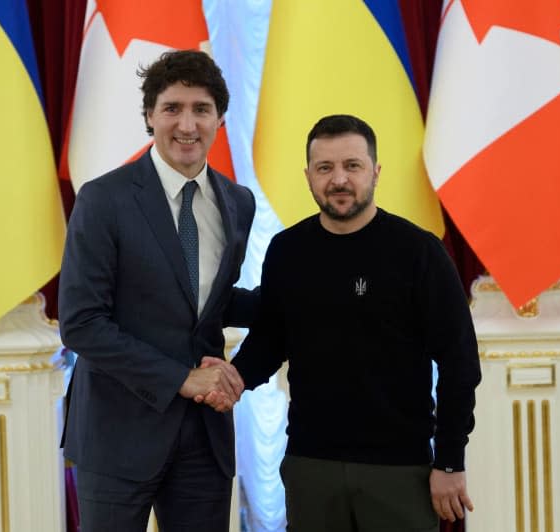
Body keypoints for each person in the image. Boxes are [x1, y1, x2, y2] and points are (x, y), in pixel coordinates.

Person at [204, 114, 481, 531]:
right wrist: (233, 378)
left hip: (399, 469)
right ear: (308, 176)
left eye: (352, 166)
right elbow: (271, 338)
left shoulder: (419, 252)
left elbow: (460, 364)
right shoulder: (287, 250)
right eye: (325, 168)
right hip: (310, 466)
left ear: (375, 171)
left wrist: (449, 460)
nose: (339, 180)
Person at [59, 50, 254, 532]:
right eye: (172, 108)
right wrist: (181, 379)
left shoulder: (238, 202)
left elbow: (208, 301)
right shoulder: (103, 199)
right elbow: (82, 323)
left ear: (220, 119)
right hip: (117, 433)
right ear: (149, 116)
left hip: (203, 442)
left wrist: (302, 296)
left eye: (201, 109)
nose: (186, 124)